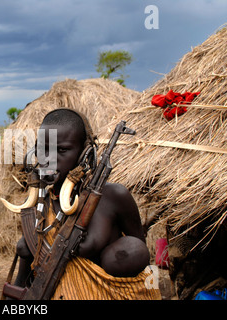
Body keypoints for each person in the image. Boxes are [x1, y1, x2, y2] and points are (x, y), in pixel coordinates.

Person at [8, 108, 160, 300]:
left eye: (62, 150)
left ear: (84, 153)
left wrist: (152, 292)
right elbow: (24, 277)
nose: (49, 159)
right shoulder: (40, 202)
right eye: (43, 149)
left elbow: (144, 261)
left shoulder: (114, 197)